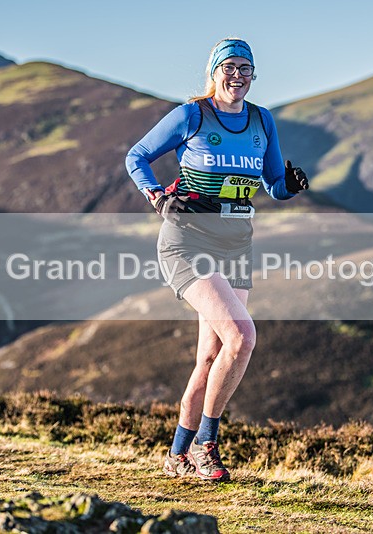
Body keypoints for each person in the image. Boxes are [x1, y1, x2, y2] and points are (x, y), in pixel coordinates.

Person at [125, 37, 308, 482]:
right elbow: (138, 156)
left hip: (236, 243)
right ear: (214, 72)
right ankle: (208, 447)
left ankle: (176, 456)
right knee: (242, 337)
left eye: (246, 68)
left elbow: (273, 184)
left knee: (211, 356)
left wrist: (291, 184)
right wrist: (154, 194)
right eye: (230, 67)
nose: (238, 75)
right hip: (188, 240)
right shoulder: (192, 115)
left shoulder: (262, 120)